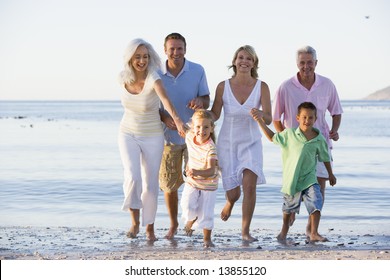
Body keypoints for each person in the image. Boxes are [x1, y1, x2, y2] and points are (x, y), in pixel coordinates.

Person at [118, 38, 186, 241]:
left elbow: (166, 101)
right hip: (127, 132)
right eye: (137, 57)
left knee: (150, 185)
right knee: (132, 177)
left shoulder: (154, 78)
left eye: (145, 57)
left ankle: (150, 228)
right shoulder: (122, 78)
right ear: (130, 59)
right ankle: (134, 222)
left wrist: (178, 122)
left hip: (153, 135)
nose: (142, 61)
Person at [272, 45, 343, 231]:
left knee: (319, 186)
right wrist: (285, 141)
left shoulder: (327, 84)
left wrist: (334, 130)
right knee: (293, 186)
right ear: (297, 64)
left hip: (319, 144)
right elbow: (275, 118)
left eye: (309, 62)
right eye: (302, 62)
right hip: (295, 150)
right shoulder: (285, 87)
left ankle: (312, 230)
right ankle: (286, 225)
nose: (306, 66)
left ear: (316, 63)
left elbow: (336, 112)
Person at [210, 45, 272, 242]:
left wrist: (262, 114)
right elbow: (215, 114)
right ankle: (230, 202)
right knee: (234, 193)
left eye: (249, 59)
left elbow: (269, 118)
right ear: (235, 61)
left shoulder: (262, 87)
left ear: (254, 63)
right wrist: (200, 113)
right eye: (241, 57)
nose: (244, 61)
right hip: (228, 145)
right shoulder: (223, 86)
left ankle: (245, 232)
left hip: (252, 142)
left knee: (249, 185)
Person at [252, 102, 337, 243]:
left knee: (317, 202)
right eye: (304, 117)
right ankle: (283, 232)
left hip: (310, 179)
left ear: (315, 119)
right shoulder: (289, 134)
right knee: (288, 209)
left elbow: (325, 157)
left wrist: (331, 174)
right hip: (292, 180)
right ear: (298, 118)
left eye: (310, 118)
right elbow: (272, 137)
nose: (307, 121)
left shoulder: (319, 139)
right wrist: (260, 121)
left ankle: (314, 233)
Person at [159, 33, 210, 239]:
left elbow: (207, 99)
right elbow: (150, 105)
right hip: (167, 138)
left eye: (179, 48)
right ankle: (173, 224)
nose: (176, 53)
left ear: (185, 49)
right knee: (169, 185)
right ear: (165, 51)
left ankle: (190, 222)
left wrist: (200, 100)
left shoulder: (197, 70)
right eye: (172, 49)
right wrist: (163, 116)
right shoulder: (156, 72)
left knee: (196, 181)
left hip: (195, 139)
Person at [180, 109, 219, 248]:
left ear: (212, 128)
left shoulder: (211, 148)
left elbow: (210, 170)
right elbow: (179, 124)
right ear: (193, 127)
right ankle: (191, 219)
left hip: (209, 184)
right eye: (198, 126)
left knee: (206, 212)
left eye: (206, 127)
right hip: (192, 182)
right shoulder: (190, 136)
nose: (201, 131)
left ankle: (207, 239)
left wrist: (195, 171)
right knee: (187, 205)